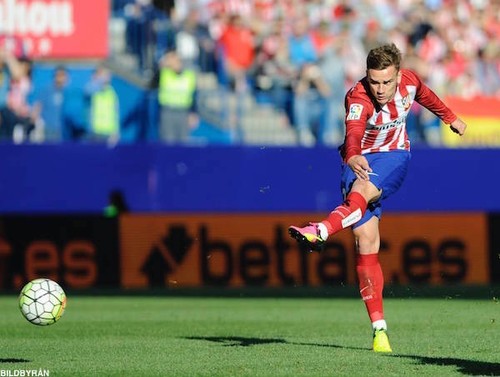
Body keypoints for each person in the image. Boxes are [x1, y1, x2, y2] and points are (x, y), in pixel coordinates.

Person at [288, 43, 467, 353]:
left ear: (398, 74)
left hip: (395, 156)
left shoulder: (410, 81)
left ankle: (322, 230)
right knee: (365, 242)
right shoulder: (357, 98)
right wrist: (354, 154)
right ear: (366, 76)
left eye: (387, 81)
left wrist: (450, 117)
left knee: (362, 192)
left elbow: (426, 95)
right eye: (374, 81)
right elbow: (354, 130)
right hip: (359, 159)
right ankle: (379, 331)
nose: (381, 89)